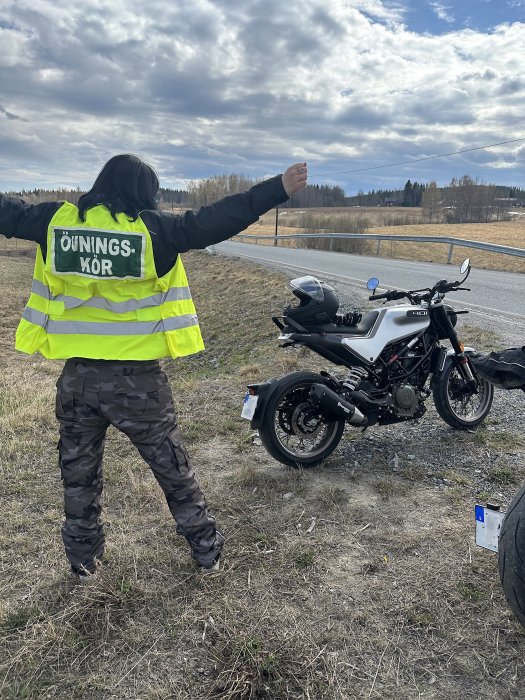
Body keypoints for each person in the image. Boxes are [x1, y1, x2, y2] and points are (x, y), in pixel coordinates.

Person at [0, 154, 308, 580]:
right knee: (172, 470)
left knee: (78, 476)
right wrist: (276, 189)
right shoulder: (154, 230)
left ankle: (83, 563)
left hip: (78, 380)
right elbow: (217, 218)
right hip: (138, 383)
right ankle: (207, 553)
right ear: (143, 191)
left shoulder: (55, 222)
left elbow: (6, 212)